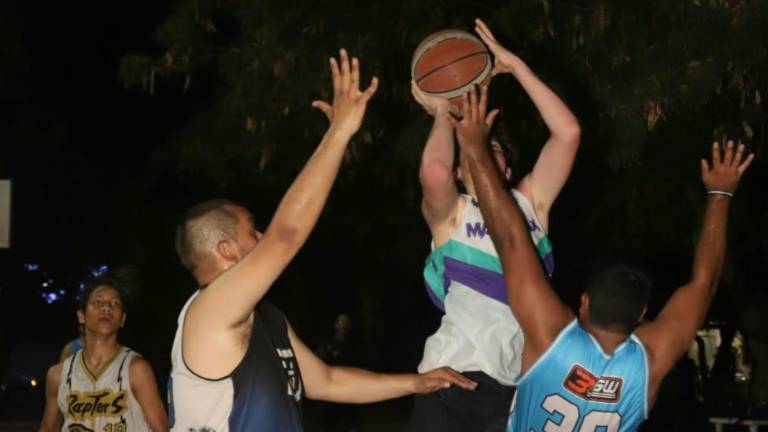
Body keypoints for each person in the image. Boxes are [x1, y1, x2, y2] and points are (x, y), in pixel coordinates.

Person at [168, 49, 476, 432]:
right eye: (252, 229)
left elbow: (326, 381)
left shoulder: (267, 318)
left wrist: (416, 382)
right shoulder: (208, 311)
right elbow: (285, 236)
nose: (261, 235)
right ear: (226, 250)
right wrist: (339, 133)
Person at [451, 83, 753, 431]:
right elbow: (706, 282)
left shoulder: (551, 336)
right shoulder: (650, 361)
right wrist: (720, 195)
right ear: (641, 313)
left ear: (584, 300)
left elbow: (509, 239)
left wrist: (474, 149)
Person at [409, 18, 580, 431]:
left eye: (495, 148)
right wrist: (442, 112)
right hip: (447, 377)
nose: (484, 152)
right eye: (475, 150)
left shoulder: (529, 206)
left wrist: (516, 67)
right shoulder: (454, 214)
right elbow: (434, 173)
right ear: (462, 171)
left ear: (507, 168)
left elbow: (568, 132)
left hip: (512, 387)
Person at [39, 276, 168, 432]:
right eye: (98, 302)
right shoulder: (58, 375)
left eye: (115, 304)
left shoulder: (136, 369)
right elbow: (48, 428)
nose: (107, 308)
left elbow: (161, 429)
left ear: (122, 319)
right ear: (81, 316)